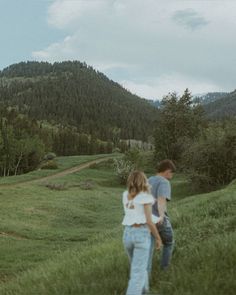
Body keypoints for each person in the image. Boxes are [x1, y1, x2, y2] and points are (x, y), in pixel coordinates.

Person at [122, 170, 162, 295]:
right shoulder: (145, 197)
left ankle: (145, 291)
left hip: (127, 234)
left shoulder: (125, 195)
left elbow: (135, 215)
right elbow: (149, 222)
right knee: (138, 273)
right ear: (144, 181)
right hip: (141, 235)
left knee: (139, 267)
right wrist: (158, 238)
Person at [147, 159, 176, 273]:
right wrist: (162, 217)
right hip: (158, 219)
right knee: (169, 242)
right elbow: (161, 201)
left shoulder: (148, 180)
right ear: (167, 171)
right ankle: (164, 269)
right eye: (172, 173)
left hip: (147, 219)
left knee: (149, 247)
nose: (172, 176)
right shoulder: (164, 182)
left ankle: (145, 277)